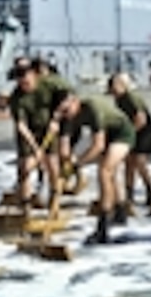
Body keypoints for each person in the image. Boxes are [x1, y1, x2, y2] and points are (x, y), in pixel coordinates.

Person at [53, 94, 134, 244]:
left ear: (75, 102)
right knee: (110, 174)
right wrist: (66, 164)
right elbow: (64, 145)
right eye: (62, 112)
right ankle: (120, 210)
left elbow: (98, 145)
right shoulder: (69, 116)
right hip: (106, 135)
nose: (66, 114)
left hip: (122, 133)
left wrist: (78, 163)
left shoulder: (92, 107)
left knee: (104, 171)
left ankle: (103, 225)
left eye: (67, 110)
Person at [8, 60, 73, 204]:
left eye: (27, 81)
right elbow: (21, 126)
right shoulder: (16, 98)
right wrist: (36, 149)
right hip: (29, 133)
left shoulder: (49, 84)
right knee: (25, 168)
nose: (25, 85)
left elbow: (68, 96)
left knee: (53, 166)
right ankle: (25, 207)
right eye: (21, 82)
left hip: (48, 128)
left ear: (34, 75)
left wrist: (57, 117)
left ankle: (54, 200)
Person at [108, 73, 151, 207]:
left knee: (139, 161)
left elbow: (141, 119)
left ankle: (150, 190)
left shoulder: (131, 98)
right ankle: (129, 194)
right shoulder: (118, 100)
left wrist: (129, 133)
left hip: (144, 131)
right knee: (129, 163)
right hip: (132, 130)